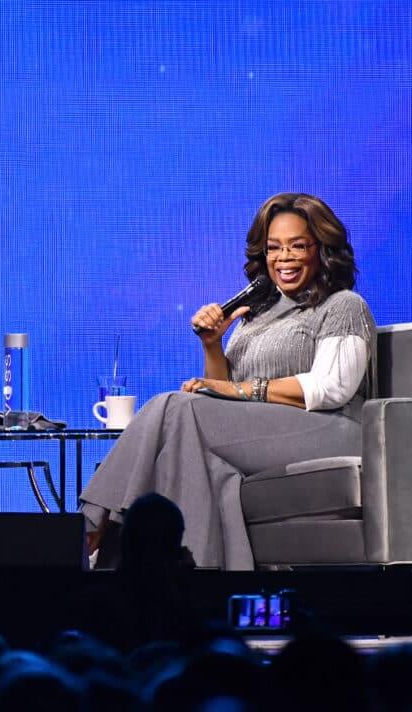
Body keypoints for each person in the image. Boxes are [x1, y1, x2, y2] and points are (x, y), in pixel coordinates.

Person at [80, 192, 375, 569]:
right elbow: (217, 400)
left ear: (323, 249)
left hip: (333, 429)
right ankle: (189, 581)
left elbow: (331, 388)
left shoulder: (343, 305)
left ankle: (93, 525)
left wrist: (238, 390)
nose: (283, 258)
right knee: (187, 449)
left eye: (297, 246)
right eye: (273, 248)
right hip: (269, 432)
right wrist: (213, 346)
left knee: (174, 406)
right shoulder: (256, 316)